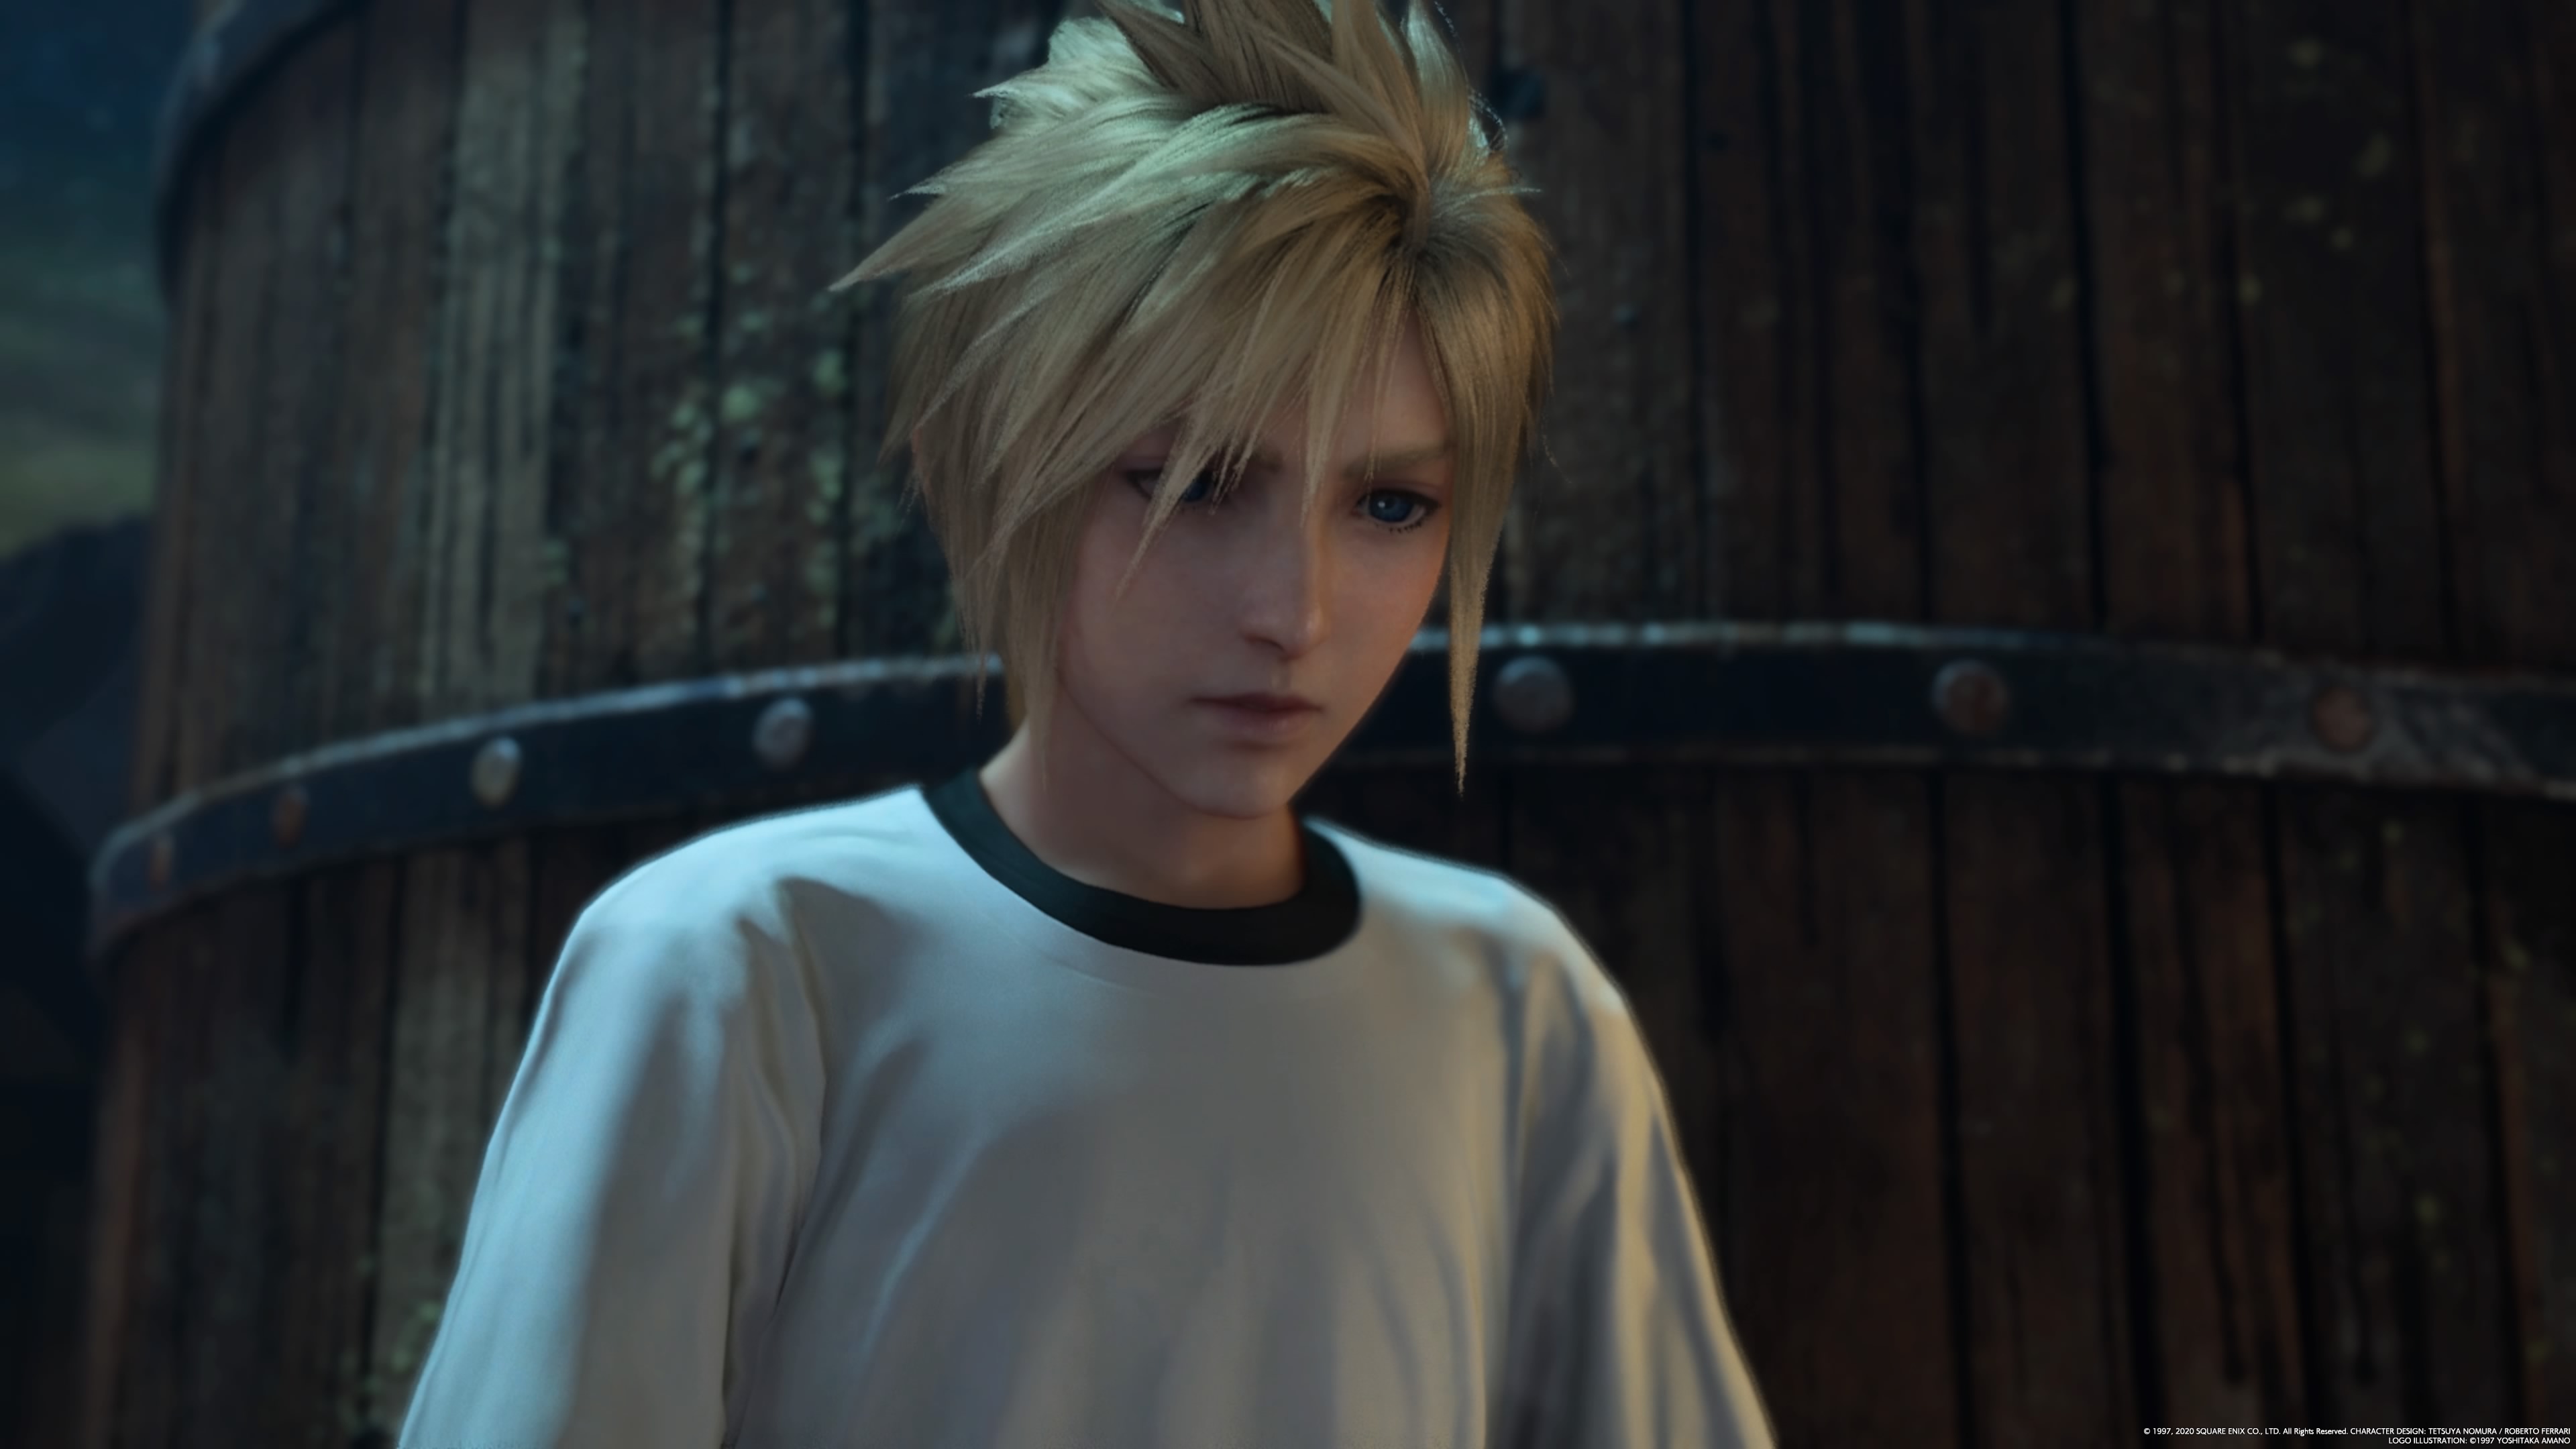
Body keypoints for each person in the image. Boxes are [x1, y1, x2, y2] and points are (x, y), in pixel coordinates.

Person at [396, 0, 1776, 1444]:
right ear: (991, 463)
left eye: (1389, 504)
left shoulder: (1515, 1009)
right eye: (1192, 484)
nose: (1293, 610)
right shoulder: (744, 968)